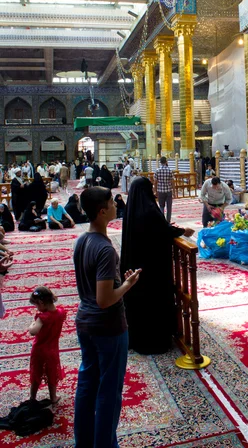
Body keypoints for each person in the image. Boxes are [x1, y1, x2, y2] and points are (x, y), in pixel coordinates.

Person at [73, 187, 141, 448]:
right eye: (112, 202)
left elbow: (93, 287)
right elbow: (104, 300)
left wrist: (117, 283)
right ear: (102, 211)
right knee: (109, 392)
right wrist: (128, 285)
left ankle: (85, 442)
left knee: (87, 384)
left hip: (85, 322)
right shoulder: (105, 249)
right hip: (108, 327)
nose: (116, 205)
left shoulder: (82, 240)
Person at [120, 176, 194, 354]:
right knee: (154, 302)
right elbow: (164, 231)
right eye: (150, 188)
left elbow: (157, 228)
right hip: (153, 268)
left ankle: (138, 338)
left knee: (140, 303)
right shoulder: (149, 210)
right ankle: (155, 340)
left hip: (135, 267)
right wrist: (183, 231)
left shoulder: (132, 209)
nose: (153, 191)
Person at [28, 286, 66, 404]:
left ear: (41, 302)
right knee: (51, 374)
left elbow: (33, 332)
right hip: (53, 350)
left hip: (39, 351)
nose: (37, 308)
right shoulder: (61, 312)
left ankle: (32, 397)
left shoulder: (42, 318)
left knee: (36, 374)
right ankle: (53, 397)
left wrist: (31, 324)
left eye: (37, 305)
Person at [154, 156, 174, 223]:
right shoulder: (169, 170)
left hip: (160, 190)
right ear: (166, 162)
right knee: (169, 207)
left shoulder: (157, 170)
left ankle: (162, 221)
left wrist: (155, 191)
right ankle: (168, 221)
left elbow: (155, 182)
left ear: (160, 162)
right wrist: (174, 190)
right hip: (168, 190)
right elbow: (172, 181)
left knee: (161, 206)